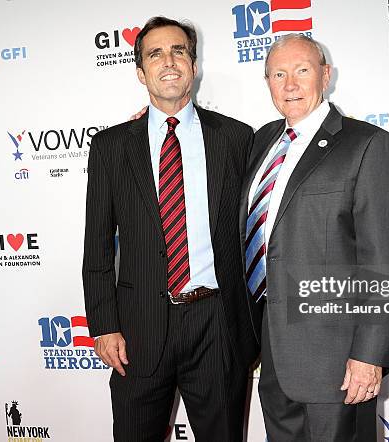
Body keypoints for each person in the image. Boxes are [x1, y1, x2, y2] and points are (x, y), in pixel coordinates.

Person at [82, 16, 258, 442]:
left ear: (193, 66)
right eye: (155, 53)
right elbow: (98, 247)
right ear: (141, 72)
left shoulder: (237, 138)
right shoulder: (110, 147)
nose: (169, 61)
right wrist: (104, 326)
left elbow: (256, 236)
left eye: (179, 51)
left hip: (217, 324)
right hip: (138, 329)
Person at [240, 34, 389, 441]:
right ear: (267, 82)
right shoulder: (260, 142)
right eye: (278, 74)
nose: (290, 84)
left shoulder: (366, 144)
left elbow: (381, 260)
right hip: (273, 357)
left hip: (338, 365)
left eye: (302, 70)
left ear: (326, 76)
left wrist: (369, 355)